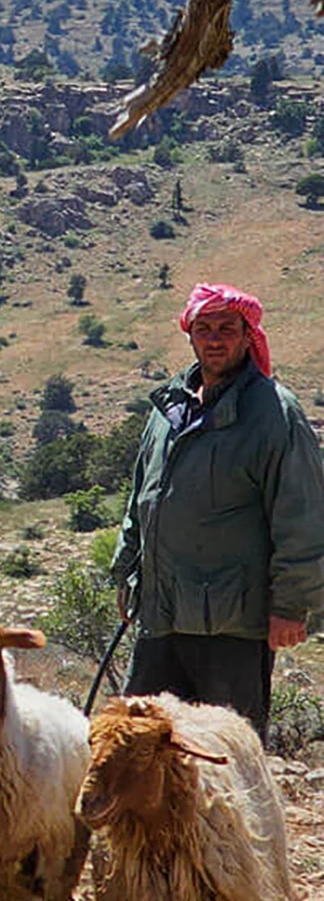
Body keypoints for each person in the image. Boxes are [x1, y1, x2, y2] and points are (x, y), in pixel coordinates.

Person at [113, 282, 324, 738]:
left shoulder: (273, 413)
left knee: (226, 757)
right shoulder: (168, 408)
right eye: (203, 328)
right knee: (140, 750)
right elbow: (141, 500)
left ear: (249, 336)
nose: (214, 339)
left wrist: (291, 606)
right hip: (161, 614)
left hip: (232, 623)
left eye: (227, 328)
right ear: (189, 334)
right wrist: (128, 576)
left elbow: (302, 518)